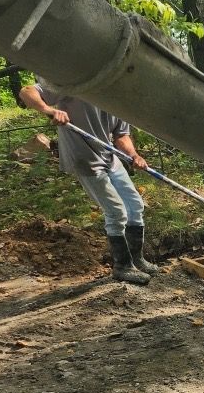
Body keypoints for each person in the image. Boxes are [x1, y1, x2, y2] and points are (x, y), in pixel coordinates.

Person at [19, 81, 159, 285]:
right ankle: (122, 266)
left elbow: (121, 135)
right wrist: (49, 110)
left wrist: (134, 155)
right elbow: (26, 92)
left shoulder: (119, 103)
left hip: (109, 156)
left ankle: (137, 259)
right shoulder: (77, 86)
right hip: (84, 158)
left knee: (135, 205)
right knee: (116, 211)